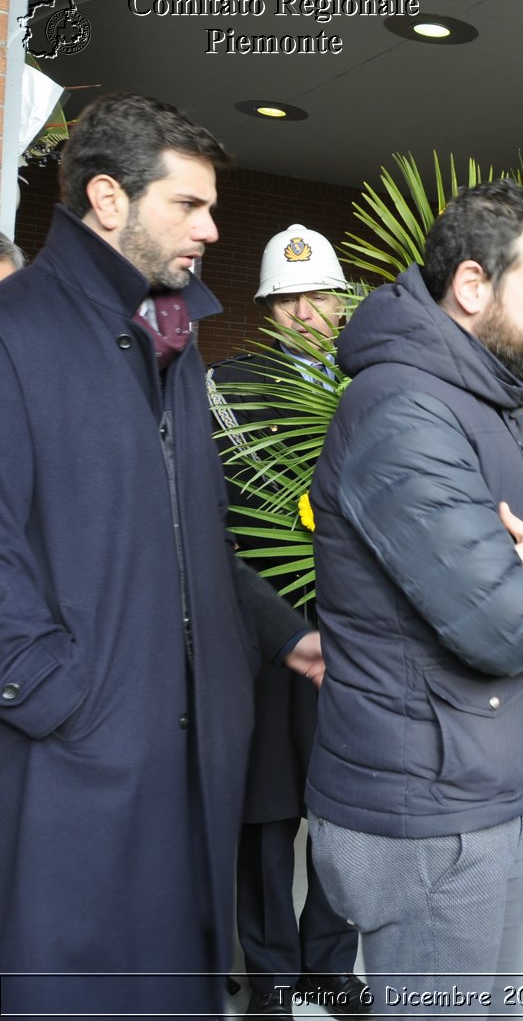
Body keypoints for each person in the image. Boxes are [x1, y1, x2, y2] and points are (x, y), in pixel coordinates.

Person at [0, 92, 320, 1018]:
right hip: (77, 758)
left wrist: (274, 633)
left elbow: (189, 535)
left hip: (191, 751)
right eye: (191, 204)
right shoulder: (16, 332)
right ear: (108, 199)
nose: (213, 229)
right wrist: (65, 696)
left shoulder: (168, 333)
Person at [304, 178, 523, 1006]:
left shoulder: (486, 400)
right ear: (473, 286)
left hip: (463, 784)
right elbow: (507, 627)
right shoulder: (405, 408)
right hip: (420, 809)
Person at [207, 225, 367, 1017]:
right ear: (268, 306)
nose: (308, 312)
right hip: (266, 633)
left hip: (357, 627)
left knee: (344, 808)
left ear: (342, 302)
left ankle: (330, 963)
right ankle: (270, 974)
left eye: (321, 295)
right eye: (290, 297)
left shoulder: (368, 386)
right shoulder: (223, 388)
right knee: (266, 815)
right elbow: (220, 529)